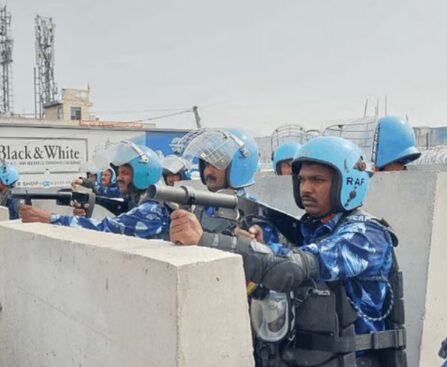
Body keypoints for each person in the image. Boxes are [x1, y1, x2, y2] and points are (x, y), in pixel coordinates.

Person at [171, 136, 406, 366]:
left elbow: (291, 268)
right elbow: (284, 258)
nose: (306, 188)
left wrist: (205, 240)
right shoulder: (311, 230)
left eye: (317, 180)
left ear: (349, 182)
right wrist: (260, 243)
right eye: (302, 180)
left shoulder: (366, 236)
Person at [20, 141, 171, 240]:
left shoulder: (151, 209)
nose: (118, 178)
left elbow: (107, 229)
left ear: (143, 174)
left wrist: (49, 218)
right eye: (118, 173)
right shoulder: (137, 199)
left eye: (124, 173)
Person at [182, 128, 277, 243]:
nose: (208, 172)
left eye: (216, 164)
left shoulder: (257, 212)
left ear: (239, 166)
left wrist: (254, 243)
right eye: (206, 165)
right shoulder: (201, 208)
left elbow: (271, 257)